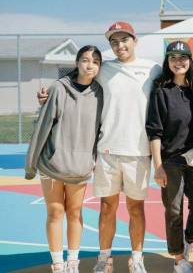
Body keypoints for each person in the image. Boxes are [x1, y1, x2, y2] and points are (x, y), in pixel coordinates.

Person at [37, 21, 162, 273]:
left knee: (136, 209)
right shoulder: (104, 68)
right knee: (107, 207)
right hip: (107, 150)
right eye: (114, 42)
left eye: (124, 40)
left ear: (135, 41)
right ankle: (104, 258)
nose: (119, 45)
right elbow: (77, 78)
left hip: (139, 152)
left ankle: (136, 258)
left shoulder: (153, 69)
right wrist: (47, 95)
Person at [25, 45, 103, 273]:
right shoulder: (58, 89)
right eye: (86, 60)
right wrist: (31, 163)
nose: (90, 65)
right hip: (52, 164)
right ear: (77, 63)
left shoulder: (100, 93)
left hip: (79, 167)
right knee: (55, 212)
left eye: (96, 61)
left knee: (75, 213)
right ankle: (58, 264)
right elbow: (43, 126)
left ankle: (73, 262)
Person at [146, 41, 193, 273]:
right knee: (173, 211)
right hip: (170, 160)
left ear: (190, 61)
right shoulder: (161, 91)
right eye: (173, 57)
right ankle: (179, 259)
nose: (178, 62)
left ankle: (188, 241)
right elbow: (154, 132)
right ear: (167, 62)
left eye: (183, 57)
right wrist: (158, 166)